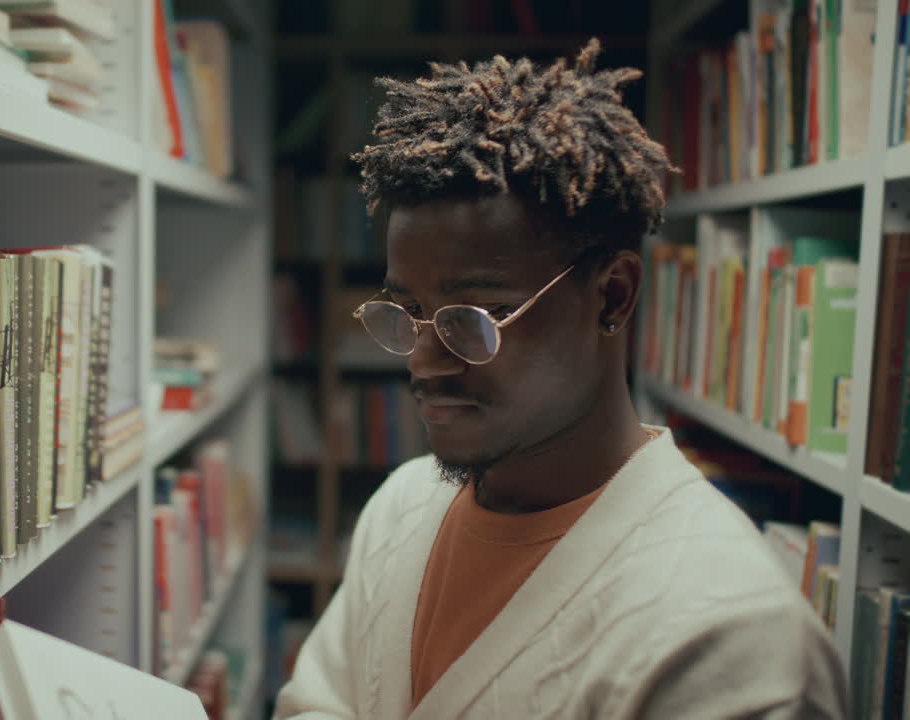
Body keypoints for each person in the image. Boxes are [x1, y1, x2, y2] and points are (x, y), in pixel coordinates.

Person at [273, 40, 846, 720]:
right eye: (409, 312)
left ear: (612, 298)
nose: (422, 363)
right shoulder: (402, 506)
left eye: (476, 318)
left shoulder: (732, 637)